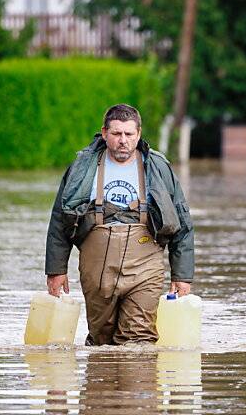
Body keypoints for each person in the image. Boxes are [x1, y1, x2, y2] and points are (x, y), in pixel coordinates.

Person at [44, 104, 194, 345]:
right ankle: (103, 381)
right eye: (116, 134)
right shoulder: (83, 167)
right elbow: (60, 219)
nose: (123, 140)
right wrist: (56, 270)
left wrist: (182, 275)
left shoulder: (157, 167)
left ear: (139, 134)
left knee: (139, 339)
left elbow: (182, 222)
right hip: (96, 267)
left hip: (146, 265)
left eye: (129, 134)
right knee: (102, 340)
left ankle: (135, 380)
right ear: (104, 133)